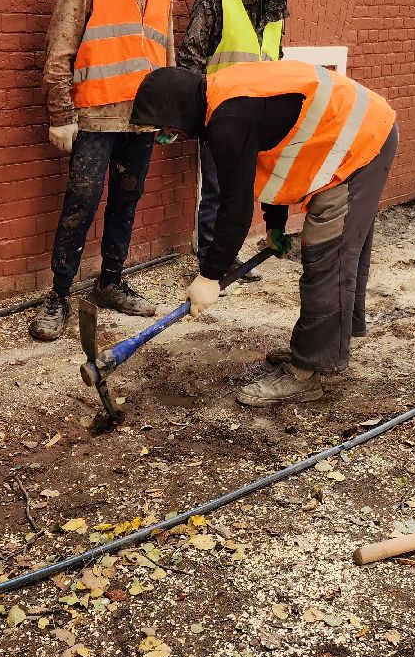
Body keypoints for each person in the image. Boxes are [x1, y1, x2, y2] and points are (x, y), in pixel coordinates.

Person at [130, 63, 398, 406]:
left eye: (167, 128)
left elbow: (235, 208)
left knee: (326, 256)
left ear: (178, 110)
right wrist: (274, 225)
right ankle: (326, 343)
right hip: (362, 130)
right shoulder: (223, 96)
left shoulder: (228, 122)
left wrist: (210, 276)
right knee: (337, 253)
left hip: (361, 144)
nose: (169, 135)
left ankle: (309, 370)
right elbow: (275, 159)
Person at [32, 0, 174, 341]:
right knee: (81, 203)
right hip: (94, 117)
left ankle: (111, 282)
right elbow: (61, 47)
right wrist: (60, 112)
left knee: (127, 201)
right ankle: (58, 295)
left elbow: (163, 45)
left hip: (143, 116)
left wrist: (170, 108)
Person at [177, 0, 290, 263]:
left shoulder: (276, 13)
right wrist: (190, 112)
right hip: (220, 112)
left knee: (239, 191)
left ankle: (225, 253)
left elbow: (276, 62)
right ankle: (211, 256)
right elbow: (192, 57)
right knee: (216, 188)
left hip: (259, 115)